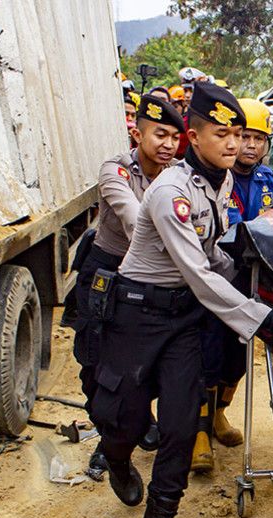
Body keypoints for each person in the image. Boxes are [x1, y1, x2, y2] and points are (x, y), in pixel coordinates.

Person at [90, 82, 273, 518]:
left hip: (183, 317)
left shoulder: (218, 182)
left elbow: (214, 259)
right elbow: (200, 273)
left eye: (238, 134)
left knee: (183, 424)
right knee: (124, 419)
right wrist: (265, 320)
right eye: (222, 134)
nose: (233, 144)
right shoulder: (170, 192)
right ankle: (117, 459)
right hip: (137, 315)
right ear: (194, 136)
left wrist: (272, 284)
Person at [77, 94, 184, 478]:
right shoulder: (116, 170)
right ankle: (108, 443)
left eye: (175, 136)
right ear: (137, 133)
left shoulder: (180, 175)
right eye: (160, 134)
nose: (168, 144)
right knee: (96, 361)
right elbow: (135, 221)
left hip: (148, 279)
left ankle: (139, 419)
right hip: (108, 274)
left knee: (144, 362)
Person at [190, 98, 273, 472]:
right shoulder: (218, 179)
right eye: (245, 137)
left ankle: (220, 414)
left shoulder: (267, 179)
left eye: (259, 139)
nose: (251, 146)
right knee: (206, 356)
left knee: (237, 357)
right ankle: (198, 432)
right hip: (216, 279)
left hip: (250, 280)